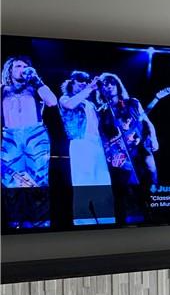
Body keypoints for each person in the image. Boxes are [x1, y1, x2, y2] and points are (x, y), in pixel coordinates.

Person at [1, 56, 57, 229]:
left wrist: (36, 79)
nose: (22, 69)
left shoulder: (35, 87)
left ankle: (40, 224)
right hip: (10, 137)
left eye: (25, 66)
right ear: (10, 70)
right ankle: (15, 224)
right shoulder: (2, 89)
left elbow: (52, 101)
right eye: (18, 66)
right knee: (11, 181)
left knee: (38, 180)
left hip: (35, 136)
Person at [96, 72, 158, 223]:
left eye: (112, 82)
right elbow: (103, 137)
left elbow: (147, 121)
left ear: (118, 85)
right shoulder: (102, 111)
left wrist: (154, 138)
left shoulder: (132, 102)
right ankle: (122, 222)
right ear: (101, 89)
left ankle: (152, 215)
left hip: (139, 148)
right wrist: (111, 154)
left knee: (148, 180)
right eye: (105, 84)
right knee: (122, 191)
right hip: (120, 154)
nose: (109, 86)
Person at [60, 71, 116, 226]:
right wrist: (89, 88)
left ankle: (108, 223)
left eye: (86, 81)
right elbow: (70, 105)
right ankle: (84, 224)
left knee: (103, 184)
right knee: (83, 185)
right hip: (81, 143)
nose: (84, 83)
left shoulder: (90, 103)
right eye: (80, 80)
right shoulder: (65, 98)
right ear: (71, 82)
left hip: (97, 144)